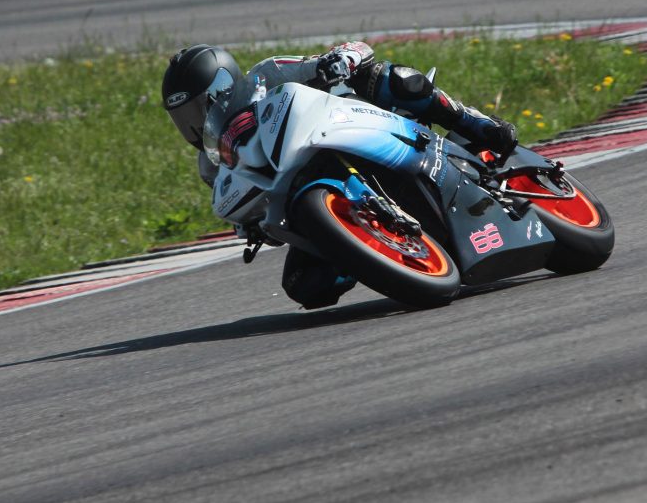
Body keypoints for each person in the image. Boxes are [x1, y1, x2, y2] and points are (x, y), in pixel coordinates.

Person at [161, 41, 518, 309]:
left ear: (223, 87)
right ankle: (373, 252)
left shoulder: (268, 73)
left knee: (391, 78)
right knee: (306, 287)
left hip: (352, 128)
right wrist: (252, 226)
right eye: (183, 117)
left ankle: (473, 121)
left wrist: (340, 61)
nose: (194, 125)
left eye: (199, 108)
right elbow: (252, 212)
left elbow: (358, 50)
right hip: (309, 193)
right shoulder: (213, 165)